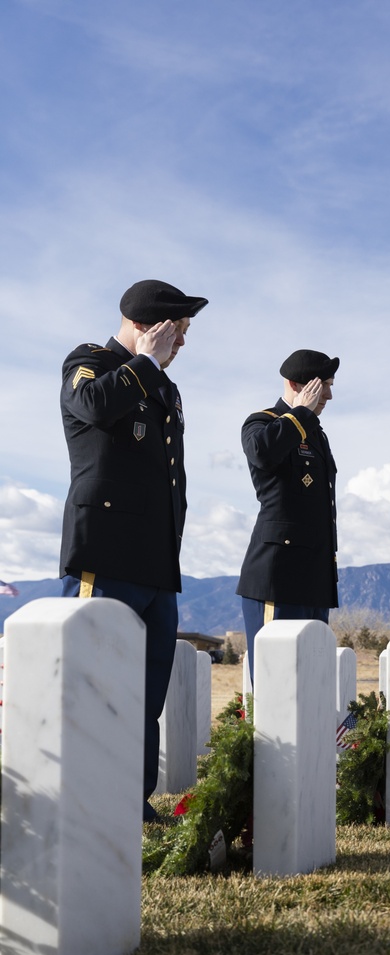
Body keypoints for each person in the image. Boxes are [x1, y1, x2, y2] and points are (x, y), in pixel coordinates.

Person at [59, 278, 208, 822]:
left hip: (155, 563)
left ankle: (131, 803)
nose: (183, 344)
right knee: (98, 687)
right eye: (180, 331)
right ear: (153, 326)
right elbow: (94, 407)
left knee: (146, 697)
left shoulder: (165, 388)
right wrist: (143, 363)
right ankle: (86, 803)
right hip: (108, 554)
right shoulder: (90, 363)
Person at [237, 349, 340, 682]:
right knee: (276, 683)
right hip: (278, 578)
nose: (328, 394)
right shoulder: (262, 422)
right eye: (322, 385)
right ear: (297, 384)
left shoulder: (316, 434)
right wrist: (299, 414)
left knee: (312, 683)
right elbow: (264, 453)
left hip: (313, 578)